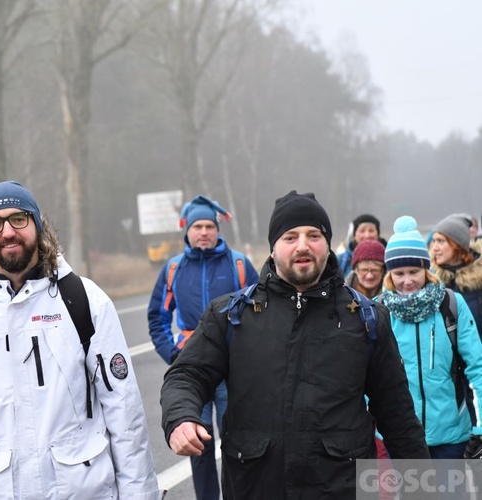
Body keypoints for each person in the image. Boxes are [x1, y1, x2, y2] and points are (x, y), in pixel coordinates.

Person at [161, 190, 429, 499]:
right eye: (290, 237)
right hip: (254, 487)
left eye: (313, 235)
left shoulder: (366, 318)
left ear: (328, 245)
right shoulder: (231, 316)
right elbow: (186, 375)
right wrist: (181, 417)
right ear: (273, 248)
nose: (302, 245)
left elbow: (399, 418)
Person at [0, 181, 164, 499]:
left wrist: (140, 494)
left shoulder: (84, 301)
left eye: (18, 219)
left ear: (38, 225)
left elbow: (123, 410)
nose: (8, 232)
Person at [147, 195, 258, 500]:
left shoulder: (238, 264)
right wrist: (173, 354)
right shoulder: (173, 269)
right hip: (194, 370)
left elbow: (262, 311)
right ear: (188, 231)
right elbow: (157, 317)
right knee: (199, 448)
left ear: (217, 229)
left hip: (232, 372)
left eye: (210, 226)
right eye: (198, 226)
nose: (204, 232)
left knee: (239, 446)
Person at [381, 215, 482, 459]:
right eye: (399, 273)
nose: (407, 281)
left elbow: (477, 367)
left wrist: (479, 427)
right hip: (400, 437)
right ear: (390, 274)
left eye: (414, 271)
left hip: (451, 435)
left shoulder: (451, 304)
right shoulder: (379, 312)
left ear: (426, 269)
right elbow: (364, 375)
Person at [430, 213, 482, 339]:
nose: (435, 248)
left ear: (457, 245)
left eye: (441, 241)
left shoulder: (478, 281)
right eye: (434, 241)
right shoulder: (431, 281)